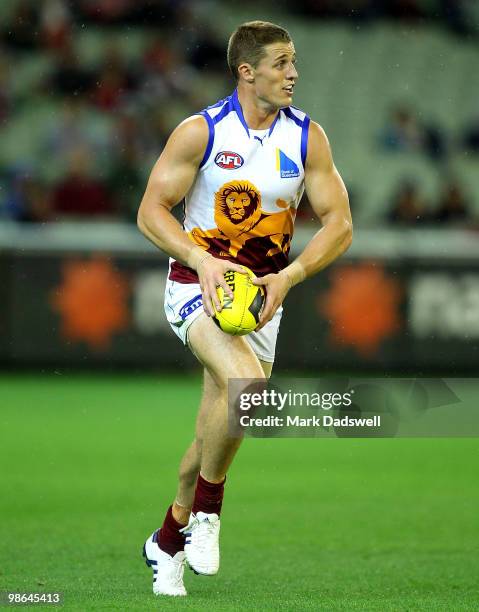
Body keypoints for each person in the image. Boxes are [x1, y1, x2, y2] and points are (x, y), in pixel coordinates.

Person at [137, 20, 352, 597]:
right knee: (248, 394)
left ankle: (166, 540)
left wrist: (290, 275)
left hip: (261, 301)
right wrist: (199, 260)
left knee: (218, 427)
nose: (294, 74)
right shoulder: (200, 132)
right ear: (247, 72)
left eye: (295, 62)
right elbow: (151, 210)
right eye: (282, 63)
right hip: (197, 288)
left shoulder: (307, 138)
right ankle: (208, 512)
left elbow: (340, 224)